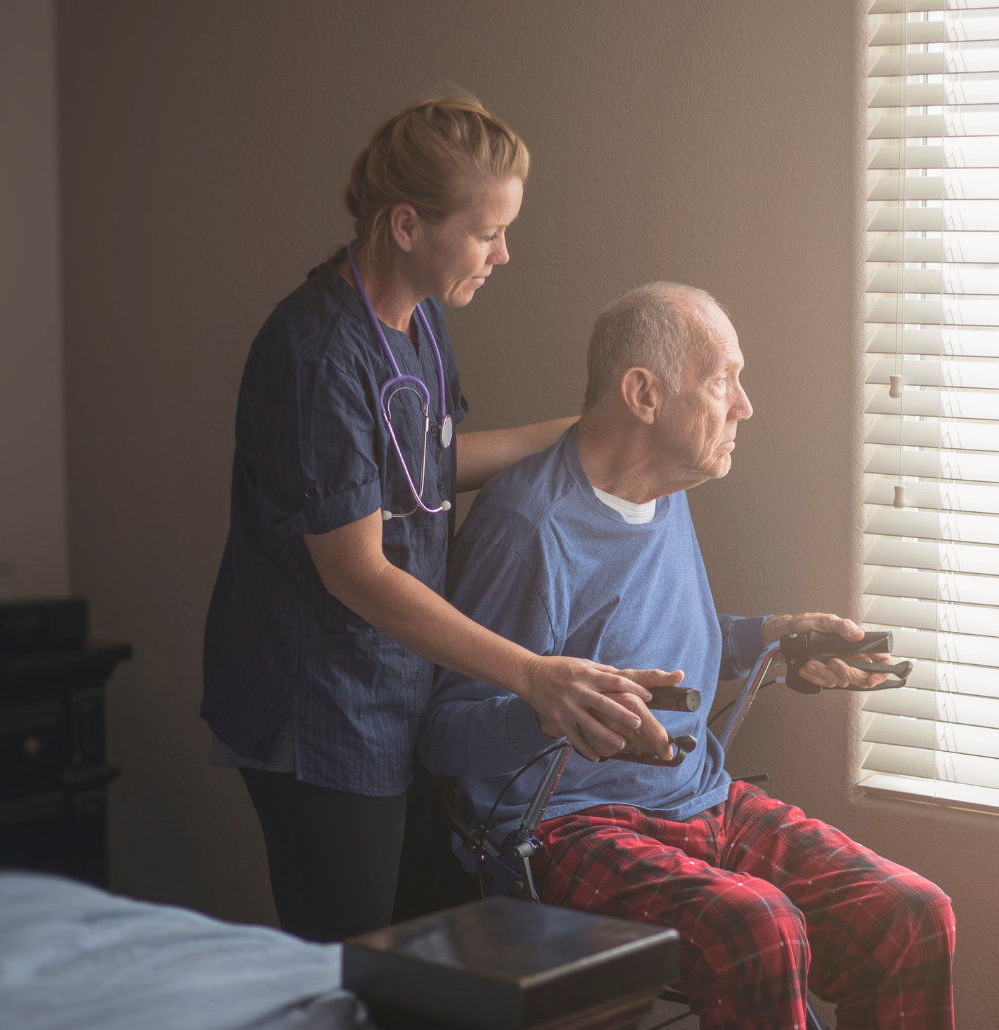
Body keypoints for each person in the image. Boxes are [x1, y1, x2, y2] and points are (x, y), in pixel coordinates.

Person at [423, 283, 956, 1030]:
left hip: (700, 799)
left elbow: (665, 649)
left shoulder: (665, 492)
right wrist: (551, 710)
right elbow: (445, 733)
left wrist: (774, 642)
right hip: (567, 828)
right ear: (644, 394)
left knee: (913, 917)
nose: (744, 406)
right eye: (721, 381)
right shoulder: (529, 528)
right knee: (761, 927)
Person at [200, 94, 675, 943]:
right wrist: (532, 673)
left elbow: (419, 471)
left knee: (431, 954)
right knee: (351, 969)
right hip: (321, 706)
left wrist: (583, 432)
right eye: (486, 232)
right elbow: (357, 569)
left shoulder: (421, 318)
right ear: (407, 225)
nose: (503, 254)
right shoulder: (315, 355)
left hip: (398, 686)